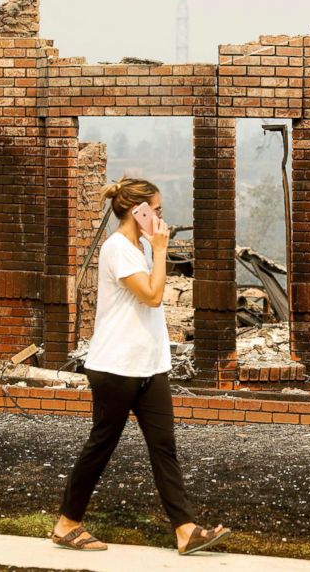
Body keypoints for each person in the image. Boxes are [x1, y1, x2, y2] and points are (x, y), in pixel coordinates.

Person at [50, 177, 231, 555]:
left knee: (164, 447)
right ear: (139, 211)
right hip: (116, 366)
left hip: (149, 366)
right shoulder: (119, 248)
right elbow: (151, 296)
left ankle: (185, 530)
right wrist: (161, 250)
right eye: (157, 211)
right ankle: (67, 524)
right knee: (102, 444)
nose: (161, 218)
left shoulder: (139, 247)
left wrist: (154, 249)